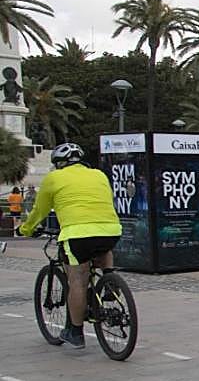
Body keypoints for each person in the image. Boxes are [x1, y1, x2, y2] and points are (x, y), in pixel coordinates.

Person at [18, 143, 122, 349]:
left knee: (77, 281)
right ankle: (110, 279)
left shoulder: (53, 178)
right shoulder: (99, 175)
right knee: (103, 246)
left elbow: (40, 210)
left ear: (58, 164)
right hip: (111, 229)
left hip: (77, 235)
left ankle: (75, 332)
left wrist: (26, 230)